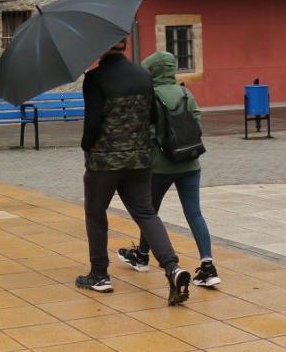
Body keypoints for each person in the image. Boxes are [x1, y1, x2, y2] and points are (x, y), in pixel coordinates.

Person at [78, 38, 192, 306]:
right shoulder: (143, 75)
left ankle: (99, 275)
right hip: (140, 160)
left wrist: (86, 145)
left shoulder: (95, 78)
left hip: (104, 163)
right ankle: (172, 268)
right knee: (145, 213)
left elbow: (92, 123)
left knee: (96, 214)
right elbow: (153, 115)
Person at [117, 51, 220, 287]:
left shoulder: (150, 95)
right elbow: (196, 120)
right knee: (194, 213)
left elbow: (145, 132)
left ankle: (142, 257)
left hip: (160, 167)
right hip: (190, 163)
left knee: (149, 213)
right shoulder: (185, 92)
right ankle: (208, 266)